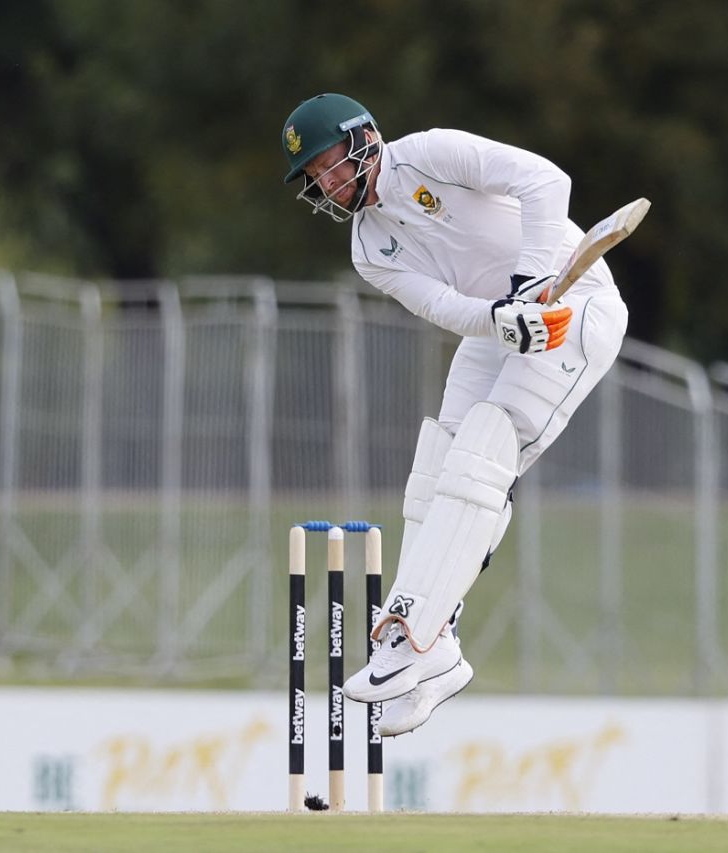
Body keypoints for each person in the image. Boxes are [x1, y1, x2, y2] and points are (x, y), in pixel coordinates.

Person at [281, 93, 628, 736]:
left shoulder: (431, 153)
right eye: (316, 179)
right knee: (440, 460)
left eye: (329, 165)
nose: (327, 184)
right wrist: (501, 316)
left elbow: (546, 181)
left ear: (363, 140)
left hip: (577, 308)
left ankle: (412, 634)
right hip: (501, 327)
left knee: (484, 452)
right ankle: (432, 649)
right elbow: (442, 304)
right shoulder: (368, 247)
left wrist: (527, 285)